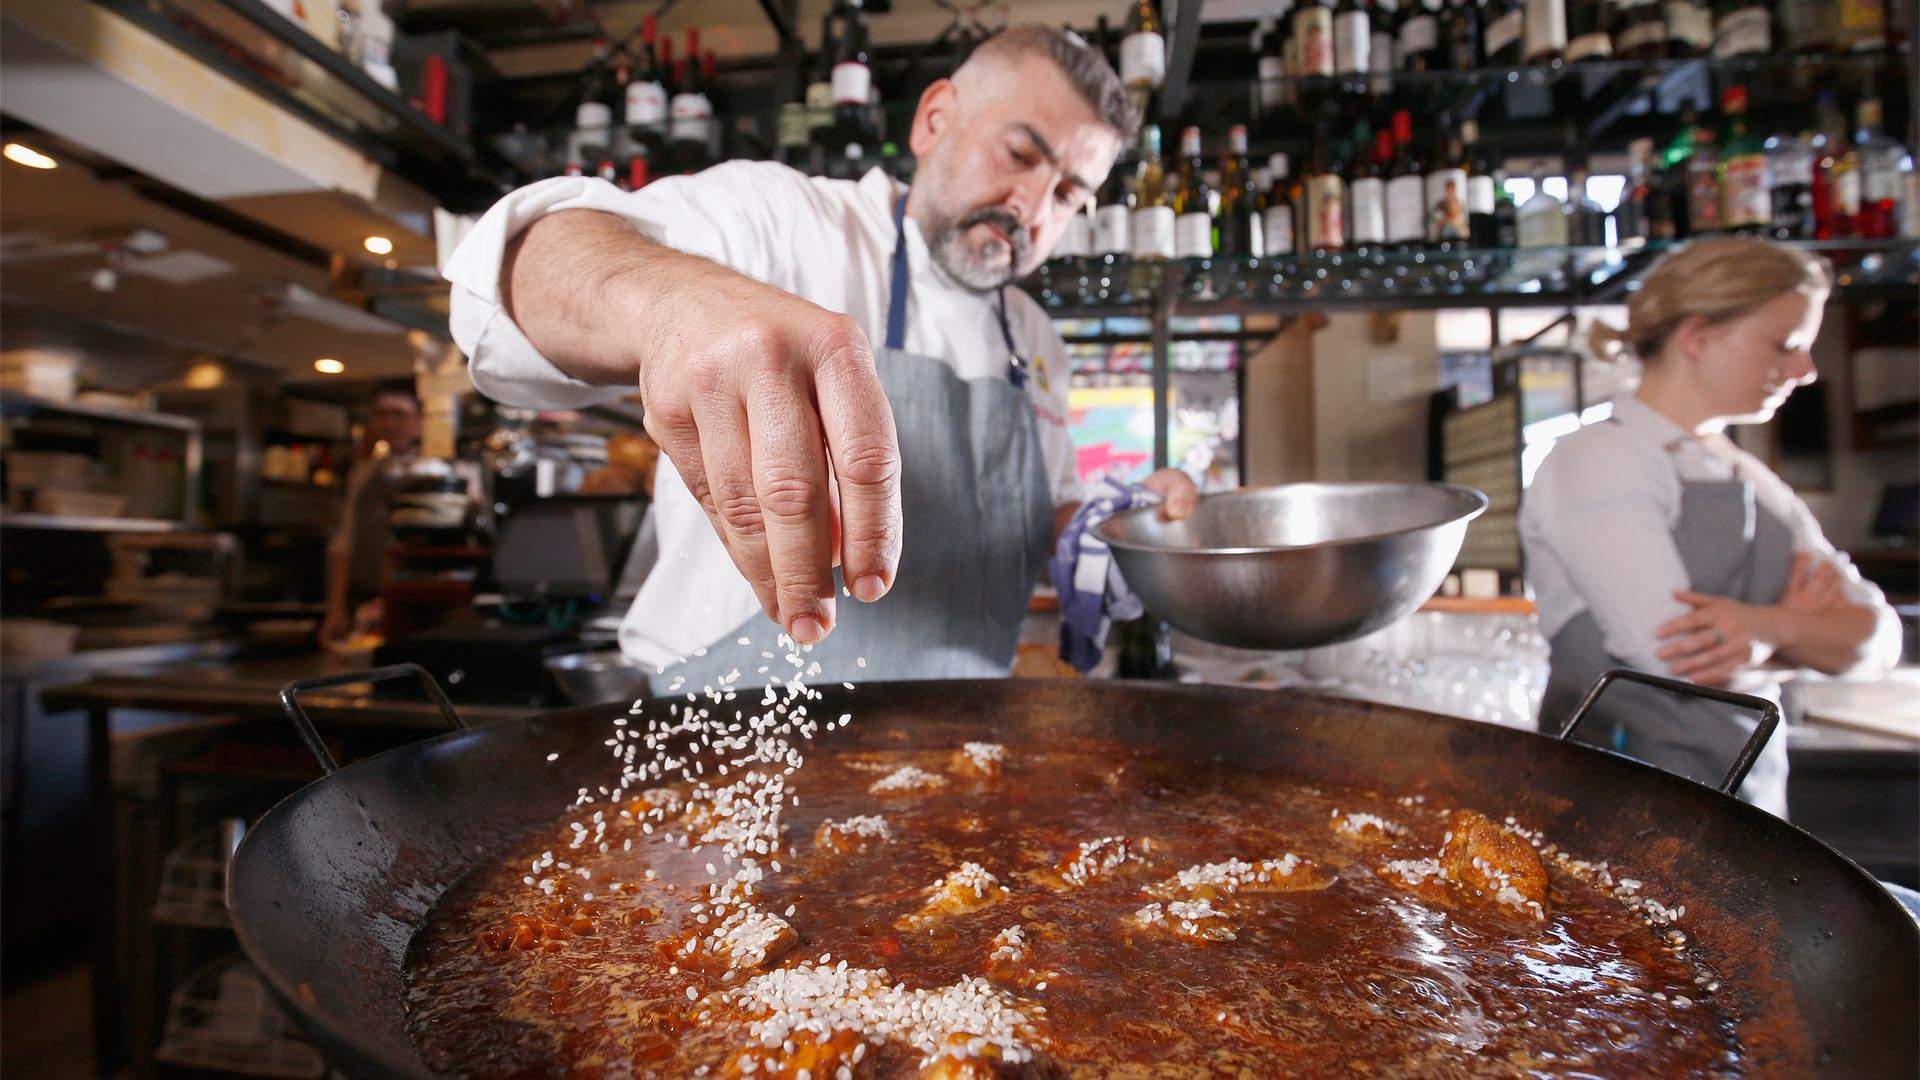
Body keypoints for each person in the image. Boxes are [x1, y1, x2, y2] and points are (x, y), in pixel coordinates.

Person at [444, 26, 1197, 685]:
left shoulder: (1033, 337)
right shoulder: (787, 222)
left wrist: (1125, 532)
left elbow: (1040, 526)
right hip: (732, 737)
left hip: (956, 753)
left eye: (1070, 193)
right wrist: (673, 301)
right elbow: (527, 264)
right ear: (935, 120)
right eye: (1019, 154)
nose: (1033, 208)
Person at [1522, 238, 1901, 816]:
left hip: (1752, 804)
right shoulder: (1595, 459)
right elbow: (1672, 657)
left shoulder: (1756, 479)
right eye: (1785, 344)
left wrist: (1766, 627)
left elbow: (1881, 641)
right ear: (1695, 336)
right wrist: (1809, 632)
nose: (1806, 370)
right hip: (1617, 810)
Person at [322, 381, 422, 645]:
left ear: (419, 419)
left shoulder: (439, 470)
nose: (389, 423)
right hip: (364, 598)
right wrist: (335, 609)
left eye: (399, 414)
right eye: (381, 414)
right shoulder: (363, 473)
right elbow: (345, 541)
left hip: (415, 599)